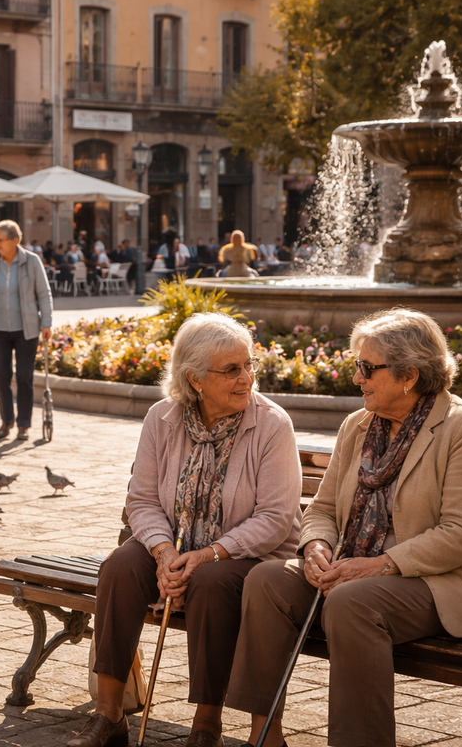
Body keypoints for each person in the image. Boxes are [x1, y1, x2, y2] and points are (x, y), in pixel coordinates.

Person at [230, 308, 462, 747]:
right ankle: (264, 737)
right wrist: (315, 545)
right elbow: (323, 508)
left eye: (367, 368)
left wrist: (378, 565)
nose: (357, 378)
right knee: (266, 580)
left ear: (408, 374)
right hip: (359, 572)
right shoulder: (359, 425)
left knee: (353, 602)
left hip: (444, 581)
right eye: (358, 365)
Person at [70, 313, 303, 747]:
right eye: (231, 369)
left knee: (211, 583)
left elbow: (275, 519)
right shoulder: (163, 418)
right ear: (194, 379)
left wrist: (208, 554)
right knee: (120, 566)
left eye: (249, 365)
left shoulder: (271, 425)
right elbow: (141, 500)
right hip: (175, 544)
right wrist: (161, 552)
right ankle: (108, 713)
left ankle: (206, 724)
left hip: (248, 556)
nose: (246, 378)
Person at [0, 220, 53, 441]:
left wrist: (46, 322)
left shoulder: (32, 261)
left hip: (26, 329)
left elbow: (44, 294)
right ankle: (7, 420)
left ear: (14, 241)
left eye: (0, 240)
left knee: (25, 377)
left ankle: (24, 424)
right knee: (1, 376)